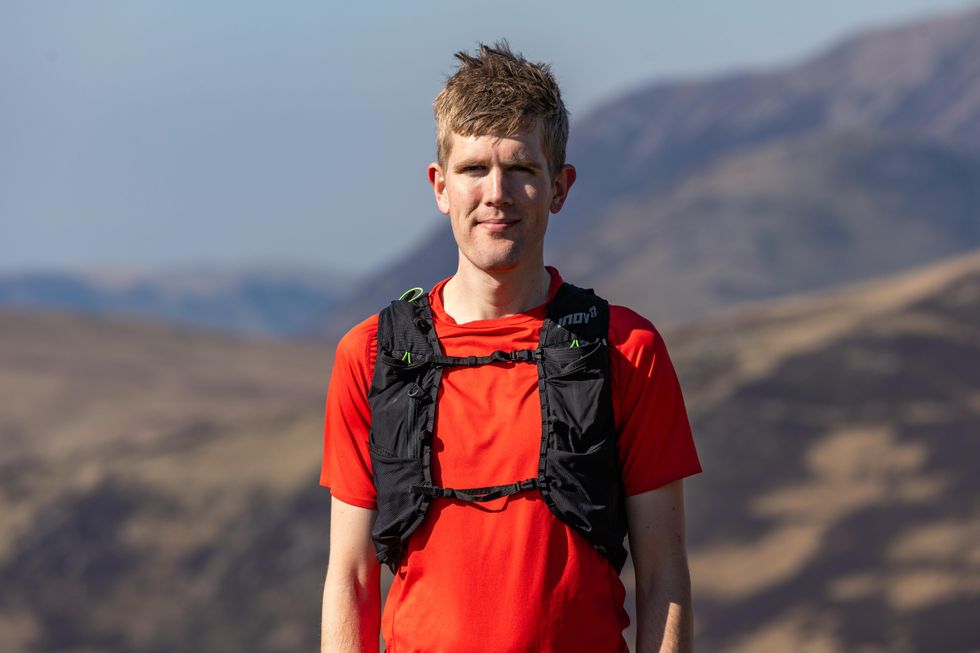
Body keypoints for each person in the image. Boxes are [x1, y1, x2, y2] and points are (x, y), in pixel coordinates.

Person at [320, 41, 701, 653]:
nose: (496, 192)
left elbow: (665, 577)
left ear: (560, 186)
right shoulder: (371, 356)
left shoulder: (627, 349)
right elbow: (351, 579)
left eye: (522, 169)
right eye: (474, 169)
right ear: (440, 186)